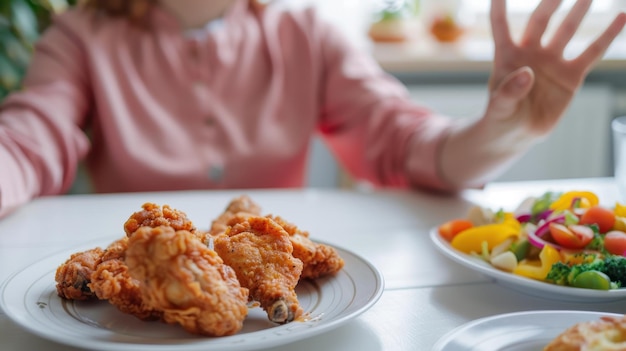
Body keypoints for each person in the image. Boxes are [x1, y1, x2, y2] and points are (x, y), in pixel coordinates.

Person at [0, 0, 624, 218]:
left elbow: (405, 146)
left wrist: (503, 132)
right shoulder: (79, 36)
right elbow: (29, 141)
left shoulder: (307, 34)